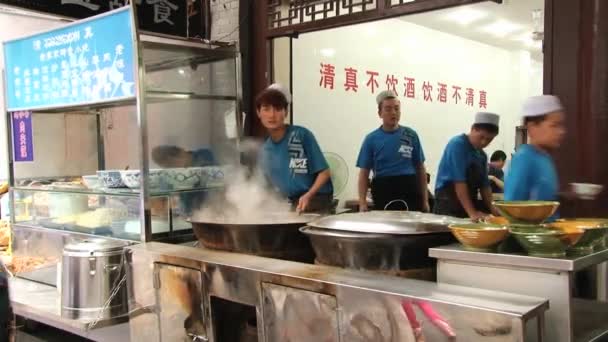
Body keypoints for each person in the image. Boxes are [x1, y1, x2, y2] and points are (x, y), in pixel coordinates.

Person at [256, 84, 334, 213]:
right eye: (266, 109)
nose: (272, 115)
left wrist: (308, 195)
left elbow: (324, 172)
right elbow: (266, 188)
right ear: (259, 113)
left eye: (277, 108)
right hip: (287, 202)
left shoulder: (301, 135)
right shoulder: (264, 149)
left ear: (286, 112)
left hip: (316, 199)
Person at [356, 90, 428, 212]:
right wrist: (362, 202)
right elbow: (364, 173)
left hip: (410, 187)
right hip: (384, 188)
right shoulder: (371, 139)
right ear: (380, 113)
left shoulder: (410, 134)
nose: (393, 112)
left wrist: (425, 200)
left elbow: (420, 168)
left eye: (396, 108)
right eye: (388, 109)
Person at [434, 112, 501, 220]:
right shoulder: (457, 144)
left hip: (467, 202)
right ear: (473, 128)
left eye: (489, 140)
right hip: (447, 202)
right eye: (481, 137)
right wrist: (472, 213)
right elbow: (459, 182)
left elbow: (485, 187)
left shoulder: (482, 156)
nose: (484, 142)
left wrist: (493, 209)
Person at [504, 95, 566, 202]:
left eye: (561, 126)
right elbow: (512, 205)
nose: (561, 131)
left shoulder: (546, 158)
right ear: (532, 127)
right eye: (554, 125)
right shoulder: (523, 158)